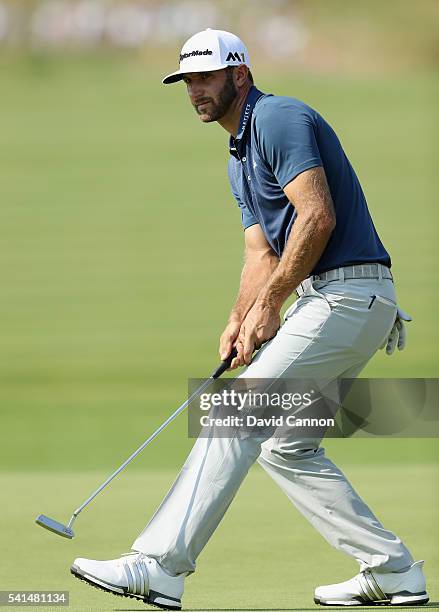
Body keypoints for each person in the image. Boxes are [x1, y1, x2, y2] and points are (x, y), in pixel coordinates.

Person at [71, 29, 428, 610]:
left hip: (347, 295)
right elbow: (260, 253)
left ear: (240, 73)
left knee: (233, 414)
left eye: (205, 77)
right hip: (336, 302)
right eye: (187, 81)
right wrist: (241, 317)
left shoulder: (279, 118)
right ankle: (391, 572)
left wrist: (270, 305)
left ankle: (160, 565)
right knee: (286, 444)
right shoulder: (238, 156)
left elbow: (317, 215)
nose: (195, 91)